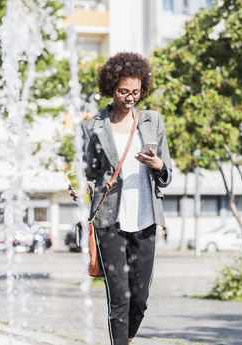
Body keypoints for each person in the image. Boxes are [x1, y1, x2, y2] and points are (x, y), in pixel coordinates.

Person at [68, 52, 172, 345]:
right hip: (108, 221)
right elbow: (86, 173)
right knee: (119, 298)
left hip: (146, 219)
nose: (130, 98)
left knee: (140, 298)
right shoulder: (92, 127)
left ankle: (125, 339)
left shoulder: (152, 121)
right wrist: (80, 188)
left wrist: (158, 166)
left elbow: (168, 170)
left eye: (136, 92)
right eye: (124, 91)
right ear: (111, 87)